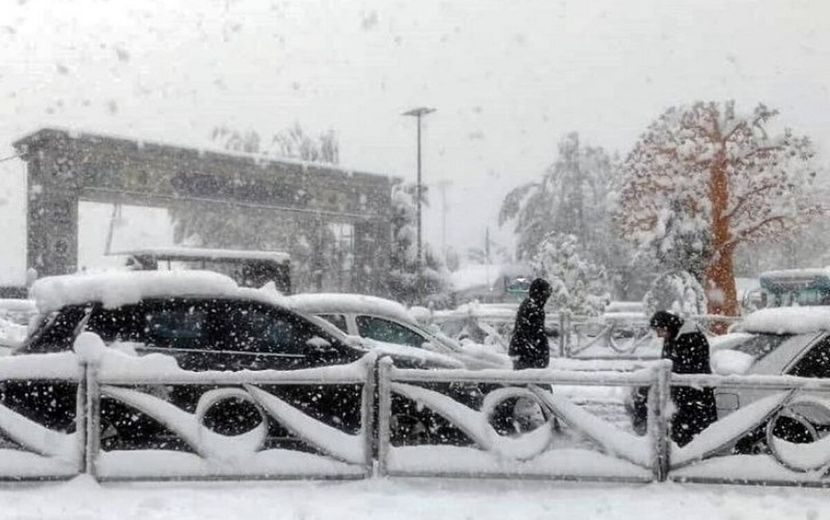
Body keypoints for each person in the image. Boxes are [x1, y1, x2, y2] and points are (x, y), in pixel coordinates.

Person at [648, 310, 718, 447]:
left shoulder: (691, 338)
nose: (658, 335)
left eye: (660, 330)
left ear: (668, 326)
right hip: (686, 393)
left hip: (694, 392)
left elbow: (688, 366)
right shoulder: (674, 337)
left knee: (692, 430)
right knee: (685, 429)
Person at [508, 278, 554, 370]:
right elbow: (533, 333)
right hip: (528, 356)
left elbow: (531, 329)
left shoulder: (528, 305)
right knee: (529, 381)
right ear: (540, 294)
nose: (546, 299)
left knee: (523, 381)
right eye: (546, 295)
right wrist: (538, 355)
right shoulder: (534, 309)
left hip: (523, 353)